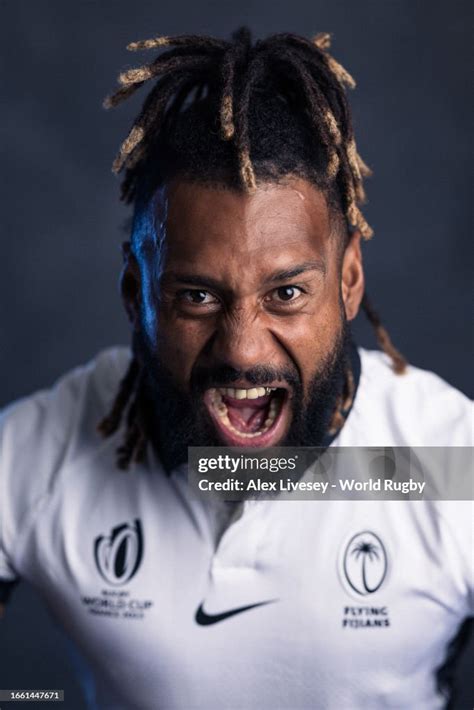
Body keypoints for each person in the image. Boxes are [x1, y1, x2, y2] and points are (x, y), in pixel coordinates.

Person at [0, 28, 472, 710]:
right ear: (136, 294)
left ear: (348, 283)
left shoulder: (452, 463)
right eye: (196, 296)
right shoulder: (38, 458)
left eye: (286, 293)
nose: (244, 349)